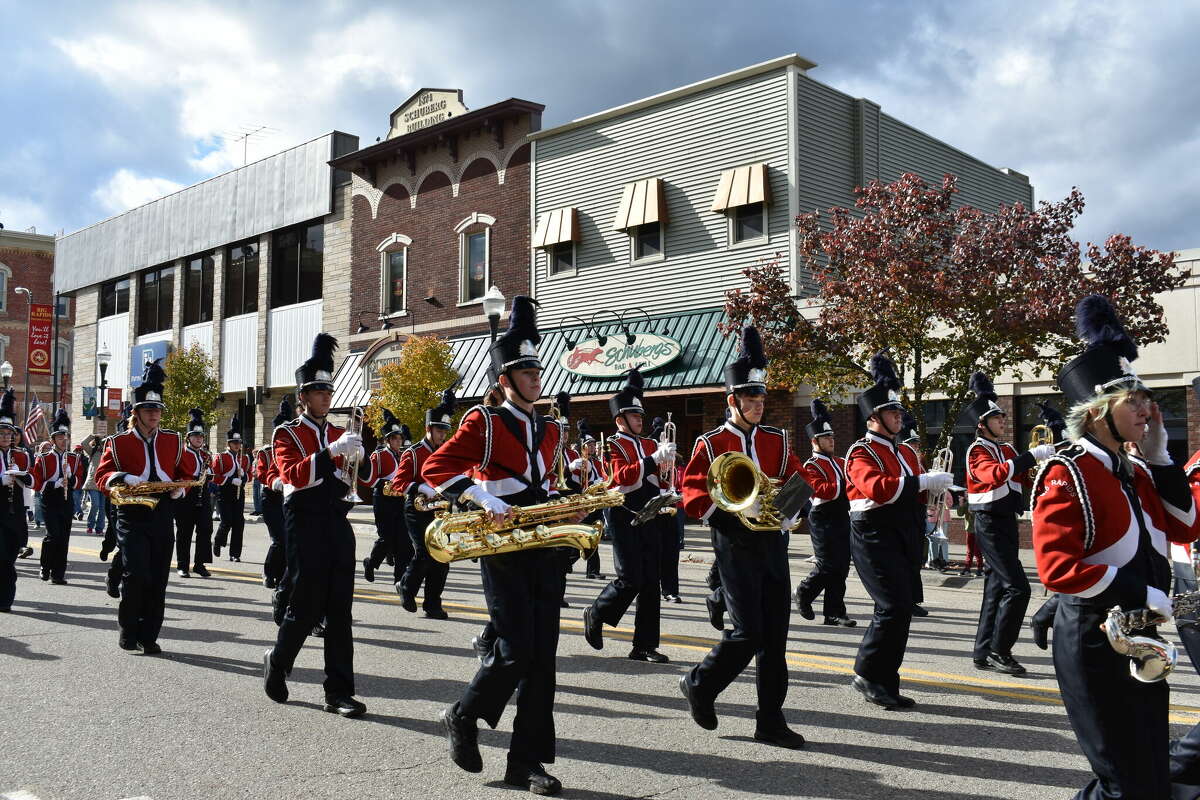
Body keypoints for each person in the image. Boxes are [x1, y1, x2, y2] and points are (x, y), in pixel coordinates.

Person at [1032, 295, 1198, 798]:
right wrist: (1137, 590)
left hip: (1140, 633)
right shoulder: (1067, 470)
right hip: (1093, 635)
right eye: (1135, 401)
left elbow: (1187, 525)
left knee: (1149, 774)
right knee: (1125, 781)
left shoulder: (1136, 468)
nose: (1148, 409)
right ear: (1099, 411)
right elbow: (1057, 568)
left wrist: (1162, 457)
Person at [422, 296, 571, 795]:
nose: (535, 375)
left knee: (543, 658)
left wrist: (571, 509)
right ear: (503, 380)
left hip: (543, 545)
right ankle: (463, 715)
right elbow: (434, 469)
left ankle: (524, 763)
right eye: (524, 370)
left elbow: (544, 484)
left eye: (537, 367)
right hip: (502, 546)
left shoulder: (549, 429)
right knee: (514, 651)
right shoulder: (483, 423)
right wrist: (479, 495)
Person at [678, 326, 806, 749]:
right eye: (750, 400)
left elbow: (798, 479)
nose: (758, 406)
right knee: (748, 631)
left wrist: (788, 512)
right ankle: (700, 683)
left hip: (773, 543)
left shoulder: (776, 438)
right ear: (733, 401)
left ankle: (770, 720)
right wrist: (732, 509)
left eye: (762, 399)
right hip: (734, 543)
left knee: (775, 639)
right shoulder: (712, 441)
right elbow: (692, 492)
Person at [262, 333, 368, 717]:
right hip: (303, 519)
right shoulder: (287, 433)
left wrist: (360, 457)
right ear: (303, 396)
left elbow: (362, 481)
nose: (326, 396)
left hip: (337, 520)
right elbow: (292, 474)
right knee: (305, 605)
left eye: (329, 389)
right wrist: (332, 453)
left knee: (340, 609)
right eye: (318, 390)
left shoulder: (340, 432)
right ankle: (278, 660)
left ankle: (338, 691)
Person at [845, 353, 953, 709]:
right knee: (891, 606)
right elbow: (879, 488)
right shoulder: (860, 451)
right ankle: (867, 673)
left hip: (904, 532)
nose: (899, 417)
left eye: (899, 412)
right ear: (874, 417)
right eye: (893, 413)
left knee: (904, 607)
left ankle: (886, 679)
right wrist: (921, 480)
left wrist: (934, 490)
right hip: (874, 534)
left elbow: (913, 488)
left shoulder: (905, 451)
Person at [961, 371, 1054, 675]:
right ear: (982, 424)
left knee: (997, 588)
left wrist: (1049, 460)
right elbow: (993, 475)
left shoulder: (1007, 449)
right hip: (988, 522)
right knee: (1018, 588)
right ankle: (1001, 651)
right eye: (997, 418)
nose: (1003, 421)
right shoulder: (977, 450)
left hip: (1007, 520)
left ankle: (982, 651)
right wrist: (1030, 456)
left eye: (1003, 417)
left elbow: (1025, 477)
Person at [95, 360, 188, 654]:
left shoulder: (174, 439)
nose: (155, 415)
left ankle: (149, 635)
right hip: (131, 510)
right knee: (136, 573)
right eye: (149, 410)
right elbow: (101, 476)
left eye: (158, 410)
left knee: (158, 576)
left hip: (161, 510)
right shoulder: (119, 441)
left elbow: (184, 473)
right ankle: (128, 629)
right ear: (136, 413)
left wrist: (179, 489)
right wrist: (124, 477)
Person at [581, 368, 673, 663]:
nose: (640, 420)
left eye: (641, 416)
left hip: (650, 512)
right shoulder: (612, 445)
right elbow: (621, 479)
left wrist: (668, 481)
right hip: (623, 512)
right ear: (620, 419)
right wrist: (653, 460)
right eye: (634, 416)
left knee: (650, 583)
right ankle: (596, 612)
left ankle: (644, 645)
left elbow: (657, 478)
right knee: (630, 577)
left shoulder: (648, 443)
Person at [395, 390, 456, 618]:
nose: (443, 435)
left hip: (440, 511)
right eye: (439, 430)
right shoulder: (413, 452)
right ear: (429, 429)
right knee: (423, 553)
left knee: (442, 557)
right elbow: (398, 482)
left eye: (445, 431)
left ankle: (432, 604)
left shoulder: (445, 453)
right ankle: (407, 586)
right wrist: (420, 487)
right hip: (417, 509)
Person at [794, 399, 855, 627]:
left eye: (832, 437)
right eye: (827, 438)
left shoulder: (841, 461)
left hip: (842, 515)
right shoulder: (810, 465)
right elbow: (822, 490)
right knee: (827, 565)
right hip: (822, 517)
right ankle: (804, 592)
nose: (832, 440)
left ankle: (834, 613)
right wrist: (848, 483)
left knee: (841, 567)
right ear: (815, 441)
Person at [31, 409, 85, 584]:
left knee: (64, 537)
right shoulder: (44, 458)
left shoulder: (74, 459)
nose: (64, 440)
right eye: (60, 437)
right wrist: (55, 483)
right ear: (53, 439)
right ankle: (44, 567)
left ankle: (58, 574)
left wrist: (71, 477)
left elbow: (80, 482)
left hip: (66, 499)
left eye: (66, 437)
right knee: (53, 535)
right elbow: (38, 483)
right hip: (50, 499)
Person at [361, 413, 413, 589]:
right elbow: (370, 479)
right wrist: (386, 484)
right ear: (388, 440)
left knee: (404, 542)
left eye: (400, 439)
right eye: (395, 439)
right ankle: (371, 562)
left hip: (400, 501)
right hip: (383, 500)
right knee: (386, 538)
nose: (399, 442)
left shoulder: (402, 455)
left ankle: (400, 580)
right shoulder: (379, 454)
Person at [0, 389, 33, 612]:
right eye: (1, 434)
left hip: (15, 512)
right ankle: (4, 600)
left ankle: (5, 597)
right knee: (1, 558)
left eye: (8, 434)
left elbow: (34, 479)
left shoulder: (20, 455)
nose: (5, 438)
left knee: (9, 559)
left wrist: (24, 476)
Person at [173, 409, 213, 579]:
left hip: (202, 494)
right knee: (185, 531)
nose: (199, 438)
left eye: (201, 436)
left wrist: (210, 473)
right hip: (186, 495)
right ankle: (182, 565)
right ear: (188, 437)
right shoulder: (181, 453)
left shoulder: (205, 455)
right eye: (195, 436)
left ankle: (199, 564)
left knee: (205, 529)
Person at [259, 399, 294, 591]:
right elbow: (261, 473)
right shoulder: (266, 451)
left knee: (288, 540)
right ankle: (268, 572)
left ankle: (281, 575)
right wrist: (276, 482)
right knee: (279, 539)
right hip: (271, 499)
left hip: (288, 500)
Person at [569, 421, 606, 580]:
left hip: (597, 503)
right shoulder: (580, 462)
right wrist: (592, 484)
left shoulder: (597, 462)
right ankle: (567, 562)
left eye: (592, 445)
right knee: (582, 539)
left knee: (594, 538)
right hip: (585, 504)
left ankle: (592, 571)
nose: (591, 447)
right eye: (588, 445)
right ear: (582, 447)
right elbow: (577, 484)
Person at [212, 416, 249, 562]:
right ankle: (218, 541)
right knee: (227, 521)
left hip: (239, 493)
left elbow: (250, 476)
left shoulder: (244, 458)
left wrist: (244, 477)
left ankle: (235, 553)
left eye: (238, 443)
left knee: (239, 523)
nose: (237, 445)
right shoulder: (220, 457)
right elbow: (214, 476)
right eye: (234, 443)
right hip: (224, 492)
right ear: (228, 443)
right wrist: (230, 479)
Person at [82, 434, 107, 536]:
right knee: (95, 505)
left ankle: (99, 528)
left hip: (104, 483)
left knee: (102, 508)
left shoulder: (108, 453)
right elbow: (83, 443)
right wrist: (93, 435)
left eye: (104, 442)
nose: (102, 443)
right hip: (92, 483)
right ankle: (90, 525)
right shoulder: (92, 451)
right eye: (101, 442)